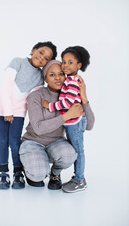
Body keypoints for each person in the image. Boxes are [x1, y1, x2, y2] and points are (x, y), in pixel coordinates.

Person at [19, 60, 95, 190]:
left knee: (70, 155)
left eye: (61, 74)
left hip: (56, 142)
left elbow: (89, 125)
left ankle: (54, 174)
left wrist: (83, 96)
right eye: (52, 75)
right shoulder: (36, 96)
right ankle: (30, 166)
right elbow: (38, 128)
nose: (58, 78)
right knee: (38, 175)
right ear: (46, 78)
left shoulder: (70, 96)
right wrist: (67, 116)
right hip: (33, 141)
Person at [0, 41, 57, 190]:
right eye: (41, 52)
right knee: (3, 141)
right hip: (2, 108)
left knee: (15, 142)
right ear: (33, 50)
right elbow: (5, 86)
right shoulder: (18, 62)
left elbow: (34, 97)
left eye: (47, 58)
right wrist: (8, 110)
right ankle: (3, 173)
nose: (42, 58)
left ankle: (18, 173)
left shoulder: (40, 78)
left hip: (18, 113)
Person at [41, 46, 93, 193]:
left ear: (79, 65)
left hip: (75, 123)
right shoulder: (69, 80)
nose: (65, 65)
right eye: (64, 62)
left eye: (70, 62)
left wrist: (49, 106)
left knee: (78, 151)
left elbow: (67, 103)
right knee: (76, 150)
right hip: (71, 122)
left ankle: (80, 180)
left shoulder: (72, 81)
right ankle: (77, 177)